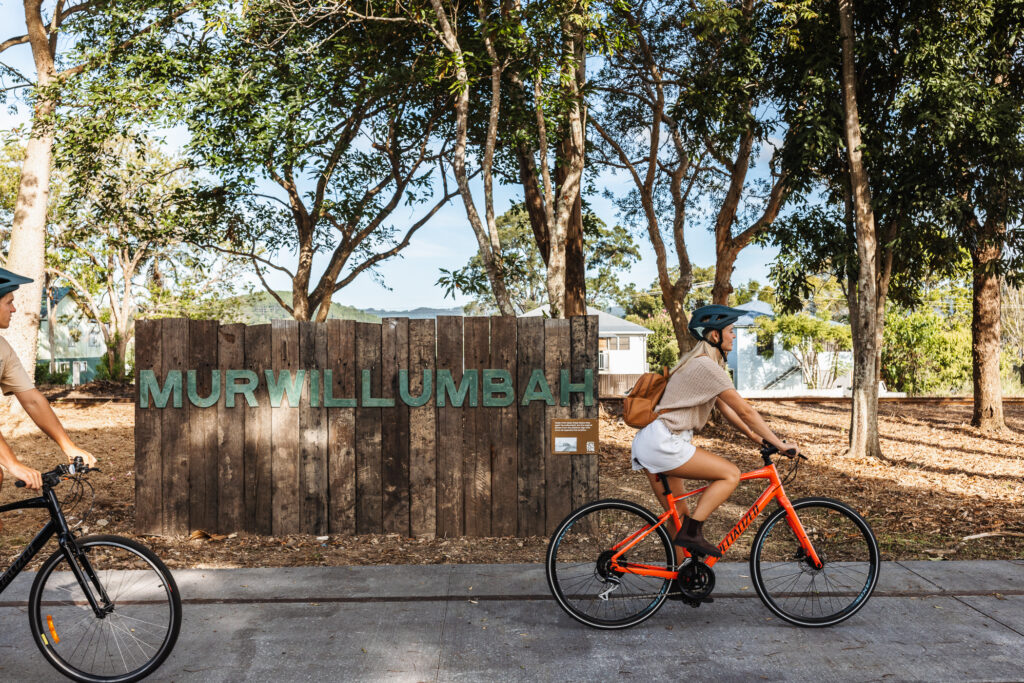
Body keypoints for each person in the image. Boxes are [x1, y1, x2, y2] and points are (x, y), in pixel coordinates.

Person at [631, 304, 799, 559]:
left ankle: (679, 580)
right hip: (665, 443)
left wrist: (757, 437)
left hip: (656, 441)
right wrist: (780, 443)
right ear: (715, 336)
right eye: (731, 331)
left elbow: (728, 411)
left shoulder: (704, 366)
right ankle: (693, 532)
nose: (734, 336)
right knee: (730, 475)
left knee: (679, 517)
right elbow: (745, 411)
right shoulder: (706, 367)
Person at [0, 267, 96, 512]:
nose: (14, 309)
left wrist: (68, 446)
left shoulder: (2, 349)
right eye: (9, 302)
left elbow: (32, 399)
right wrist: (12, 463)